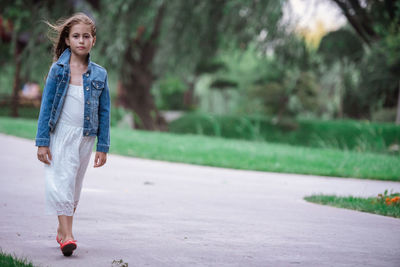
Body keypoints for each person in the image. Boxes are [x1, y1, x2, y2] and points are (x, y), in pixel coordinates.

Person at [35, 13, 110, 257]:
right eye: (75, 36)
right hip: (61, 135)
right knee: (62, 183)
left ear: (93, 41)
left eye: (86, 36)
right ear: (67, 40)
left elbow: (105, 111)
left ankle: (61, 229)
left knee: (75, 187)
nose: (81, 40)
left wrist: (103, 146)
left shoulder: (100, 74)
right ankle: (67, 236)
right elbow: (46, 106)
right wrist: (42, 142)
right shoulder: (58, 70)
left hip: (86, 137)